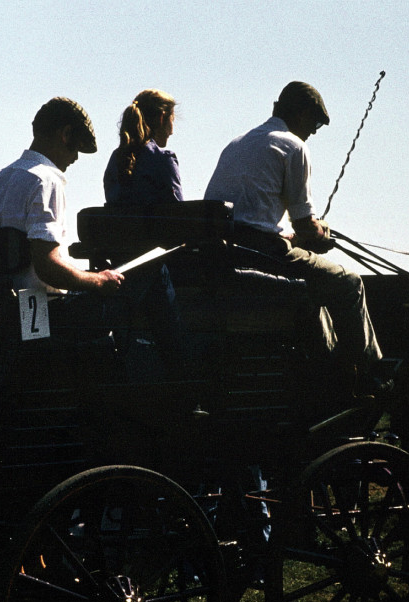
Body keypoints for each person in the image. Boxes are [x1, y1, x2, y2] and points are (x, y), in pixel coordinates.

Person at [204, 81, 386, 389]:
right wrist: (321, 231)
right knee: (348, 282)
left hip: (229, 251)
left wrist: (290, 235)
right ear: (300, 114)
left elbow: (249, 217)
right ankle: (371, 376)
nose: (313, 131)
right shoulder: (293, 146)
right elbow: (306, 228)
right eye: (314, 123)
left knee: (316, 288)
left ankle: (329, 369)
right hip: (263, 255)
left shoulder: (236, 143)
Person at [0, 97, 124, 295]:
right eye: (76, 147)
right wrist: (98, 280)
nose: (76, 158)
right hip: (43, 314)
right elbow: (47, 268)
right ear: (65, 134)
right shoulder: (46, 180)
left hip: (5, 311)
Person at [104, 89, 183, 205]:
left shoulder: (115, 159)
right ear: (161, 118)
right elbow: (180, 214)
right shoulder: (164, 160)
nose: (172, 131)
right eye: (172, 120)